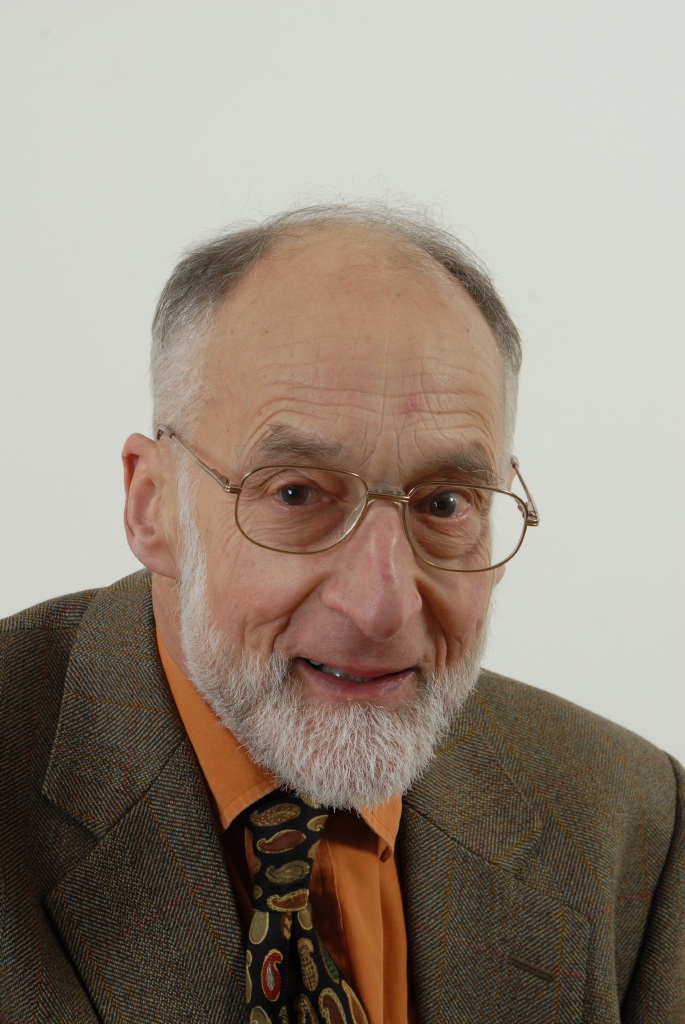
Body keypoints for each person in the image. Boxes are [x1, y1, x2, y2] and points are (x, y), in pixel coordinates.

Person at [2, 204, 682, 1024]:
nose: (380, 606)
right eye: (296, 494)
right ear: (153, 507)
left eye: (443, 503)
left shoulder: (631, 822)